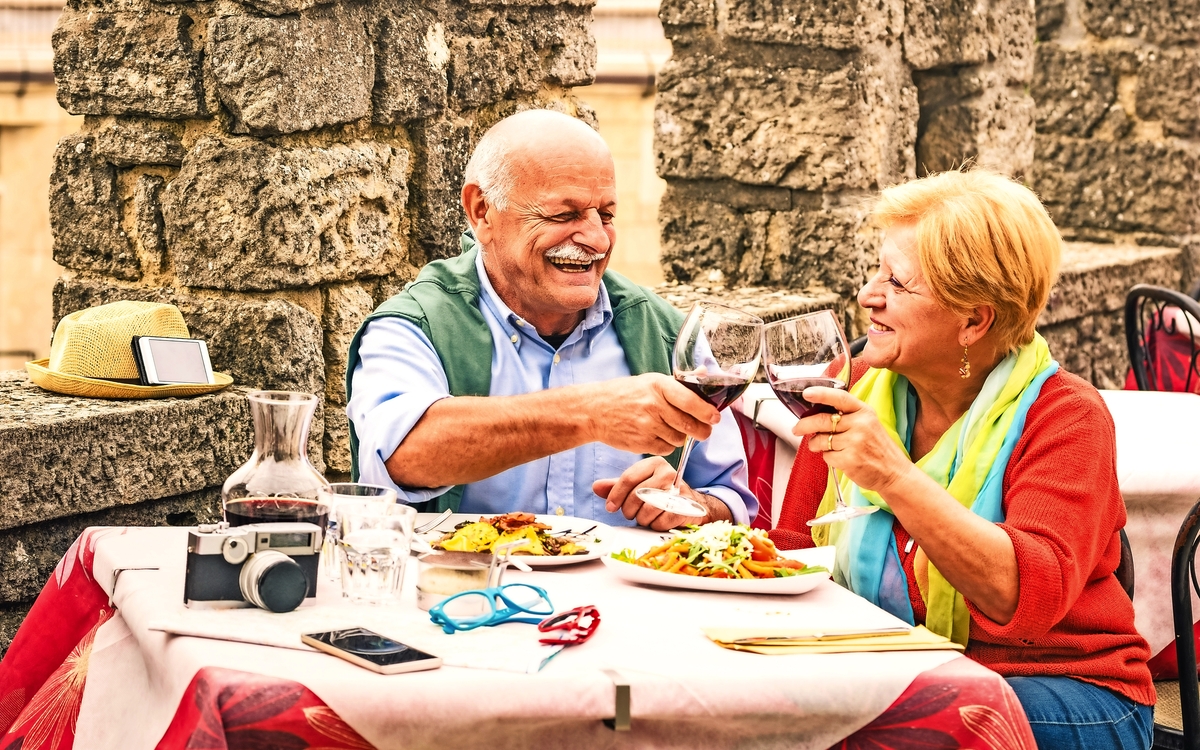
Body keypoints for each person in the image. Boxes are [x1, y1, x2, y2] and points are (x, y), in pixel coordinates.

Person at [770, 169, 1154, 748]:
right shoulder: (851, 384)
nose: (868, 295)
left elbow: (1021, 598)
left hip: (1064, 689)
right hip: (888, 671)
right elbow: (797, 555)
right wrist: (704, 529)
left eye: (897, 283)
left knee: (885, 727)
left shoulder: (1066, 416)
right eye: (876, 272)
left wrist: (895, 477)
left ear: (974, 319)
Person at [345, 109, 756, 530]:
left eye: (607, 215)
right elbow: (403, 454)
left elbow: (734, 502)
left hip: (627, 596)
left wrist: (693, 505)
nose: (597, 239)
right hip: (467, 593)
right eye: (564, 215)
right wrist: (590, 412)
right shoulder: (413, 325)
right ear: (482, 211)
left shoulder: (666, 332)